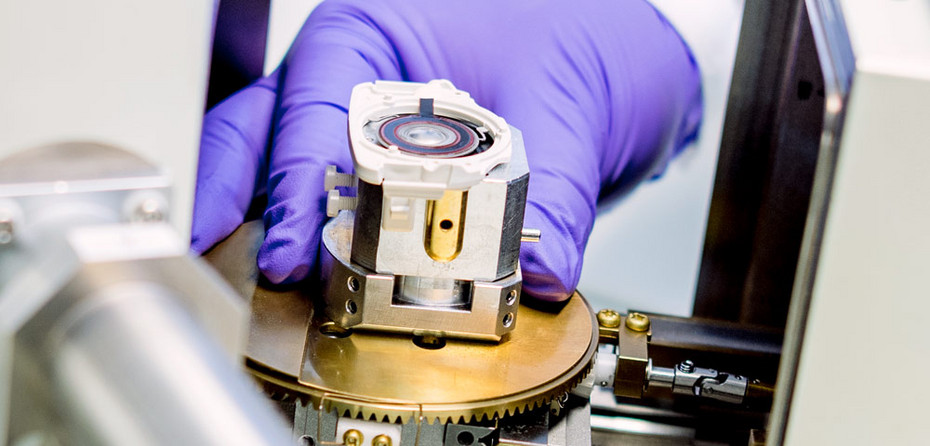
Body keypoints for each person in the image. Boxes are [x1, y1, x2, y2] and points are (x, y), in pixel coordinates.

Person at [190, 0, 702, 303]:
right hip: (378, 27)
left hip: (607, 39)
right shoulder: (375, 31)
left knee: (534, 249)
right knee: (285, 168)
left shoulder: (578, 62)